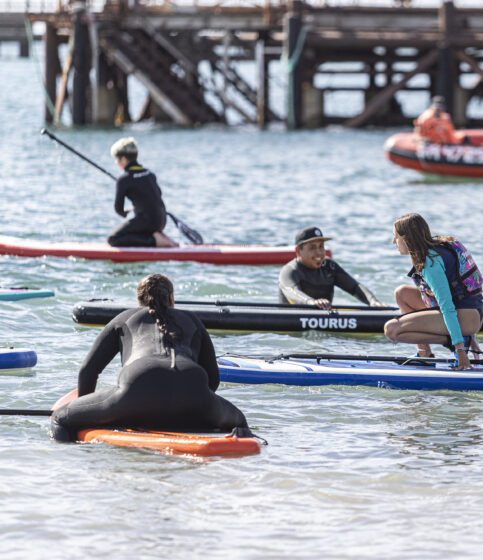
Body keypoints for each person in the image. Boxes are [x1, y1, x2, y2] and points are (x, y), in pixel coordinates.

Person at [51, 274, 251, 442]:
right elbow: (213, 380)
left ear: (139, 301)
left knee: (60, 418)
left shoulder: (124, 318)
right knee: (240, 422)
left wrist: (87, 413)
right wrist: (191, 409)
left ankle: (74, 469)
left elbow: (88, 371)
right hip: (196, 395)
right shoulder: (193, 320)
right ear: (171, 298)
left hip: (136, 394)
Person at [384, 213, 483, 370]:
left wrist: (460, 350)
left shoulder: (431, 263)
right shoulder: (437, 247)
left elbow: (447, 307)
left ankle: (456, 341)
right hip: (469, 312)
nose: (393, 242)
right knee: (402, 293)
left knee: (392, 330)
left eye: (395, 237)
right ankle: (425, 355)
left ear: (407, 238)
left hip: (465, 316)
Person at [278, 226, 383, 309]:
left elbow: (354, 287)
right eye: (312, 247)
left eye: (321, 246)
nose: (319, 252)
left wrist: (373, 301)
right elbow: (292, 292)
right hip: (292, 330)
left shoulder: (329, 266)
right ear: (298, 251)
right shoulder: (289, 271)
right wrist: (312, 302)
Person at [107, 137, 177, 248]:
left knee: (113, 239)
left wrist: (124, 213)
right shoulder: (150, 174)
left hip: (147, 222)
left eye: (116, 159)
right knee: (137, 224)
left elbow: (118, 209)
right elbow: (156, 195)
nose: (116, 163)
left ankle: (155, 241)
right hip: (161, 220)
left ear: (124, 159)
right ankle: (157, 235)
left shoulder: (124, 180)